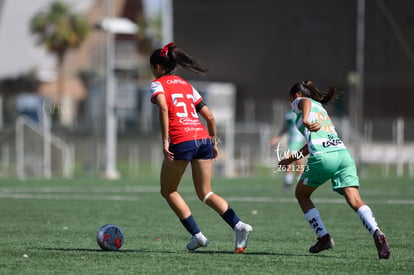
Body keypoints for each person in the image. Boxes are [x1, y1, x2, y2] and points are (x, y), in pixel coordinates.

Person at [149, 42, 252, 253]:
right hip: (202, 138)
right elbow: (210, 117)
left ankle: (197, 236)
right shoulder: (188, 86)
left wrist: (165, 141)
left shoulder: (158, 84)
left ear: (158, 68)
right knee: (206, 192)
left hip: (182, 139)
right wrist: (214, 143)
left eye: (152, 68)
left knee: (168, 191)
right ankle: (239, 225)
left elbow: (163, 108)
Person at [278, 81, 390, 259]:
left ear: (296, 96)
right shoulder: (320, 109)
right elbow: (311, 142)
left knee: (302, 195)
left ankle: (323, 237)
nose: (289, 103)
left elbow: (304, 102)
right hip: (343, 155)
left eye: (289, 99)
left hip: (324, 157)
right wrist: (290, 159)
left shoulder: (302, 103)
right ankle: (377, 232)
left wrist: (305, 119)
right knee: (355, 200)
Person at [270, 109, 305, 190]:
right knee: (290, 161)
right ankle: (289, 182)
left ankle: (296, 183)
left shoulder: (302, 113)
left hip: (298, 141)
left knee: (298, 163)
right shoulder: (288, 114)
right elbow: (285, 127)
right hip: (291, 142)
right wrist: (277, 137)